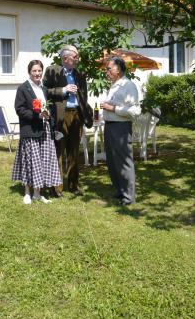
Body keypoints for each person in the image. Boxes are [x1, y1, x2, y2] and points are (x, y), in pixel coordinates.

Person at [43, 44, 93, 197]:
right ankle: (56, 188)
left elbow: (84, 95)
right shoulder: (52, 71)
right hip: (61, 116)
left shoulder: (80, 73)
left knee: (73, 151)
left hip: (76, 114)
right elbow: (44, 90)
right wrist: (63, 90)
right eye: (75, 57)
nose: (78, 59)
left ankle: (73, 185)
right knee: (59, 150)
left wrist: (85, 111)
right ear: (65, 58)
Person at [12, 60, 62, 204]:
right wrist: (36, 116)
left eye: (39, 70)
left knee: (42, 162)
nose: (37, 73)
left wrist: (48, 114)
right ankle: (27, 193)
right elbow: (19, 109)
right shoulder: (23, 88)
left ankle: (37, 193)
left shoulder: (44, 88)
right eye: (34, 71)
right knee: (30, 162)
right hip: (30, 130)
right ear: (29, 72)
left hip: (44, 130)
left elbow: (47, 107)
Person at [100, 57, 141, 206]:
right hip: (110, 126)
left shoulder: (128, 85)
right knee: (112, 161)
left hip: (121, 128)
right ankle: (120, 190)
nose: (107, 72)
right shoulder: (113, 85)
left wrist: (113, 108)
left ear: (118, 69)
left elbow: (135, 111)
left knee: (124, 161)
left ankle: (129, 196)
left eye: (109, 69)